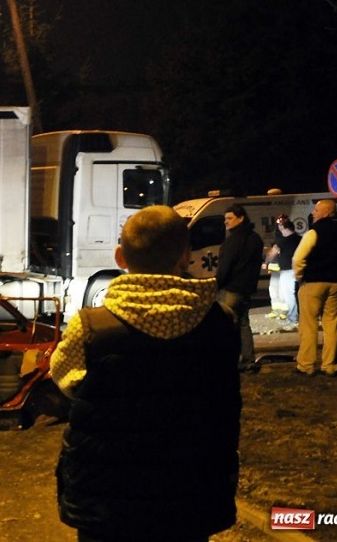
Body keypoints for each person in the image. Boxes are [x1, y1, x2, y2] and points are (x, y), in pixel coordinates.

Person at [51, 205, 241, 542]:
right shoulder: (221, 322)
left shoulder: (92, 327)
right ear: (185, 255)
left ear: (120, 257)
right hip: (190, 492)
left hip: (107, 498)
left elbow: (68, 382)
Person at [292, 199, 337, 377]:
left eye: (316, 210)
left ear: (325, 212)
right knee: (332, 325)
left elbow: (298, 259)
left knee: (309, 325)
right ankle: (329, 364)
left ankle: (306, 365)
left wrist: (300, 277)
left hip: (313, 283)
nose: (313, 213)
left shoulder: (313, 233)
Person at [216, 203, 264, 372]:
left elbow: (225, 267)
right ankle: (248, 361)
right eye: (225, 219)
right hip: (246, 290)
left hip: (230, 290)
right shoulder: (255, 239)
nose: (225, 222)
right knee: (244, 325)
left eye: (229, 218)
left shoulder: (233, 241)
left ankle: (228, 361)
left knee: (227, 327)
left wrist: (216, 285)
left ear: (241, 218)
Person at [268, 216, 302, 331]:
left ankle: (292, 319)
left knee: (288, 295)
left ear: (282, 226)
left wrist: (266, 261)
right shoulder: (299, 238)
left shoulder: (281, 241)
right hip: (295, 269)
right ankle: (292, 317)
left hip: (288, 271)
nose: (278, 227)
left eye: (279, 225)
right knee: (291, 294)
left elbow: (272, 254)